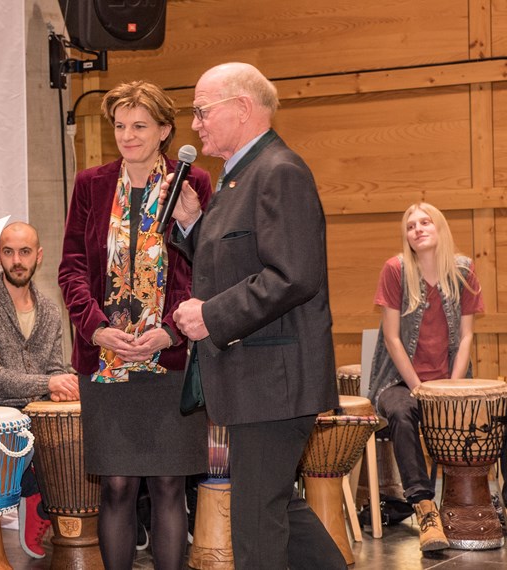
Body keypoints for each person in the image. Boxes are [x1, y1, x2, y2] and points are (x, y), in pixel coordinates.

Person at [169, 62, 346, 569]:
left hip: (275, 380)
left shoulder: (279, 171)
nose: (196, 123)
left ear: (242, 108)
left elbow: (294, 275)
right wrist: (192, 225)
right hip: (258, 379)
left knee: (255, 525)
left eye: (202, 111)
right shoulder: (238, 177)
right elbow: (235, 259)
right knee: (276, 508)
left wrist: (212, 316)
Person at [58, 80, 211, 569]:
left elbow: (204, 268)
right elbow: (73, 268)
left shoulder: (194, 184)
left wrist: (171, 330)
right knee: (118, 486)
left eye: (139, 125)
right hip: (106, 359)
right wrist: (97, 327)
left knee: (169, 484)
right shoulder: (91, 184)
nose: (127, 135)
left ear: (165, 130)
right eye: (120, 125)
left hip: (169, 358)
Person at [367, 202, 484, 551]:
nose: (417, 229)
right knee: (402, 413)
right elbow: (391, 337)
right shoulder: (395, 270)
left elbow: (465, 336)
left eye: (424, 222)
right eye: (409, 225)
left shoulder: (463, 270)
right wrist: (420, 389)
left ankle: (494, 504)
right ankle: (425, 508)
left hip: (452, 381)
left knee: (499, 411)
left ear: (440, 228)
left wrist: (451, 388)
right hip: (400, 382)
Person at [0, 221, 79, 558]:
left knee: (82, 426)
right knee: (40, 434)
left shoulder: (52, 310)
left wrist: (65, 386)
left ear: (38, 257)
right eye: (8, 252)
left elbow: (56, 368)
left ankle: (48, 504)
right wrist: (49, 384)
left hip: (36, 414)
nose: (16, 260)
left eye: (24, 252)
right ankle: (37, 497)